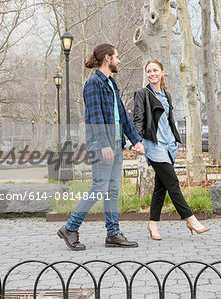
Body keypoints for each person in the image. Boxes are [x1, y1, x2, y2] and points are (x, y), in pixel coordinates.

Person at [57, 44, 145, 250]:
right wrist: (104, 145)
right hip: (101, 144)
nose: (119, 60)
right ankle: (70, 228)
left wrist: (136, 140)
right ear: (107, 58)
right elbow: (96, 119)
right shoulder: (93, 84)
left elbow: (123, 116)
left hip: (115, 143)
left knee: (112, 189)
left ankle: (113, 234)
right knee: (99, 187)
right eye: (117, 56)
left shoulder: (111, 84)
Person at [133, 59, 210, 240]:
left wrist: (174, 142)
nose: (151, 74)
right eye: (149, 71)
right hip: (154, 145)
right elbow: (138, 118)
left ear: (162, 72)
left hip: (169, 146)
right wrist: (137, 141)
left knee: (161, 187)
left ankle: (153, 225)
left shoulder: (166, 95)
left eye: (155, 70)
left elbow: (168, 121)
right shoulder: (142, 93)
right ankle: (190, 219)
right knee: (173, 183)